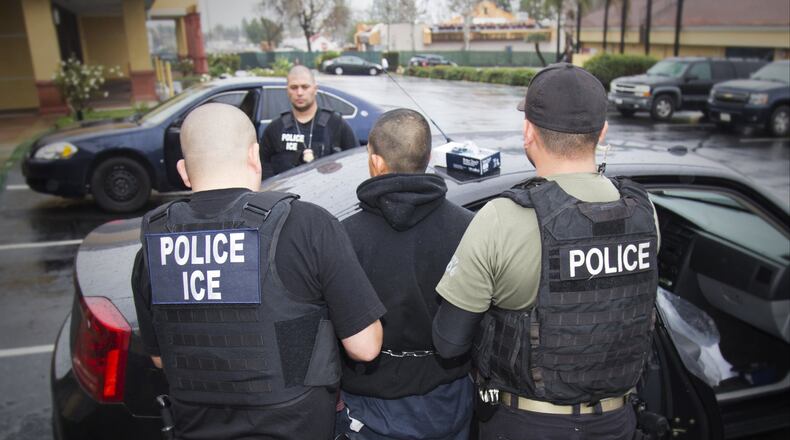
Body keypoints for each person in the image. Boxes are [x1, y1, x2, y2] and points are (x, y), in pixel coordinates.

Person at [432, 63, 661, 440]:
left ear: (528, 132)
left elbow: (449, 341)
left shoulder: (502, 217)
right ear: (602, 132)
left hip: (527, 425)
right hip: (617, 423)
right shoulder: (643, 212)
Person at [131, 103, 385, 440]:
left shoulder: (154, 247)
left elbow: (163, 360)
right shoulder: (306, 226)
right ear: (255, 156)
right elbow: (365, 347)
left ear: (183, 170)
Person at [336, 108, 475, 440]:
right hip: (451, 401)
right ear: (427, 157)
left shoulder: (343, 236)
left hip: (370, 409)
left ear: (377, 162)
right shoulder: (470, 228)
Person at [260, 65, 359, 179]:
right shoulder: (275, 128)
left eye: (305, 87)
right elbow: (263, 168)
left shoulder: (336, 124)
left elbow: (354, 162)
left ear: (315, 89)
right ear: (287, 90)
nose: (299, 92)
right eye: (294, 87)